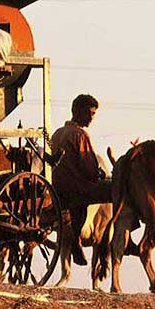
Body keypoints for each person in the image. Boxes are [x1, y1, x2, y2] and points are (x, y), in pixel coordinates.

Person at [49, 94, 111, 272]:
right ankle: (80, 236)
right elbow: (88, 166)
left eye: (93, 114)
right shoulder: (80, 135)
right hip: (76, 187)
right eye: (89, 113)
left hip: (57, 186)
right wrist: (98, 173)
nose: (91, 118)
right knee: (115, 190)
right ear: (78, 111)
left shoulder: (58, 133)